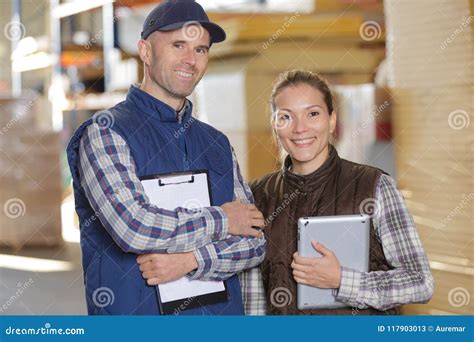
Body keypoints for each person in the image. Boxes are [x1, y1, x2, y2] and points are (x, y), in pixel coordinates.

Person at [66, 0, 265, 315]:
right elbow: (135, 227)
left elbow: (253, 243)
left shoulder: (216, 143)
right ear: (145, 51)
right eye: (178, 45)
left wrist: (192, 261)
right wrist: (224, 220)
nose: (191, 59)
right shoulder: (106, 134)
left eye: (201, 49)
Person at [244, 69, 433, 315]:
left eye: (312, 114)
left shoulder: (373, 186)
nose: (300, 128)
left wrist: (342, 280)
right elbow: (253, 298)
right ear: (275, 126)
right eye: (286, 117)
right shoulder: (257, 195)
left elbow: (420, 282)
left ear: (332, 120)